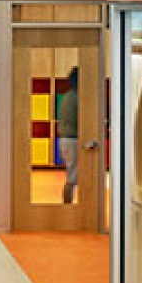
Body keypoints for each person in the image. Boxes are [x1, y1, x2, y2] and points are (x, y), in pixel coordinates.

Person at [58, 67, 79, 203]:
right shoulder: (78, 97)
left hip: (66, 139)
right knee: (72, 179)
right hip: (73, 141)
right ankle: (68, 210)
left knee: (71, 177)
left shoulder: (68, 95)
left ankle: (68, 209)